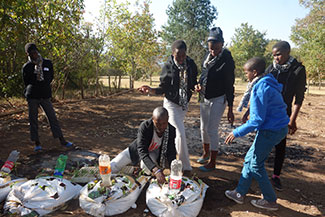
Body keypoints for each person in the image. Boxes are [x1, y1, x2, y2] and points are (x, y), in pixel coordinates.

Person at [224, 57, 289, 211]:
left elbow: (256, 121)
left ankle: (270, 200)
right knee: (250, 159)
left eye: (247, 72)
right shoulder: (266, 82)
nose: (245, 75)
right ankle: (239, 193)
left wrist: (236, 132)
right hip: (277, 127)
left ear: (254, 72)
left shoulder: (260, 87)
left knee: (255, 164)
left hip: (271, 131)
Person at [138, 40, 198, 172]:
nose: (181, 59)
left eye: (183, 55)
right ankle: (184, 167)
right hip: (171, 104)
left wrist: (196, 86)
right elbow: (163, 88)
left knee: (175, 133)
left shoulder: (191, 65)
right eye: (178, 56)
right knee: (180, 134)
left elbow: (193, 82)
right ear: (172, 53)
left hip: (183, 105)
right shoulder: (168, 67)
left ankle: (165, 158)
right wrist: (151, 90)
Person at [267, 41, 307, 191]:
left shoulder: (298, 70)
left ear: (287, 52)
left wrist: (293, 119)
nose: (276, 58)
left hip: (284, 113)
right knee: (262, 141)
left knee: (280, 144)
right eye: (274, 55)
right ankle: (257, 171)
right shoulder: (271, 68)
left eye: (278, 54)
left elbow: (299, 97)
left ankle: (276, 176)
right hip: (268, 111)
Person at [195, 27, 235, 171]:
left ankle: (212, 162)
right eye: (210, 48)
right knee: (203, 128)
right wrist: (198, 85)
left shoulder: (227, 60)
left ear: (222, 44)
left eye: (216, 49)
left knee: (212, 129)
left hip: (218, 98)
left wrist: (230, 108)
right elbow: (203, 75)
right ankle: (205, 153)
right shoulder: (208, 56)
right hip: (204, 96)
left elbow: (230, 84)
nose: (213, 52)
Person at [23, 43, 72, 151]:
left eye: (35, 52)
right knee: (33, 120)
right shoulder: (27, 66)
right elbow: (26, 82)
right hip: (32, 96)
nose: (34, 54)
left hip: (45, 95)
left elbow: (51, 77)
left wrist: (43, 85)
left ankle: (62, 140)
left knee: (52, 117)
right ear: (28, 54)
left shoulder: (47, 63)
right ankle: (37, 143)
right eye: (31, 53)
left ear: (37, 51)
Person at [110, 107, 177, 184]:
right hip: (136, 150)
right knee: (113, 165)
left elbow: (171, 151)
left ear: (168, 119)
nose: (161, 127)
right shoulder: (145, 126)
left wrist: (174, 169)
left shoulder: (171, 130)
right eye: (157, 124)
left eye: (164, 123)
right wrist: (156, 170)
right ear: (153, 119)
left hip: (153, 153)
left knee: (146, 167)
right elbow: (141, 150)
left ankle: (144, 183)